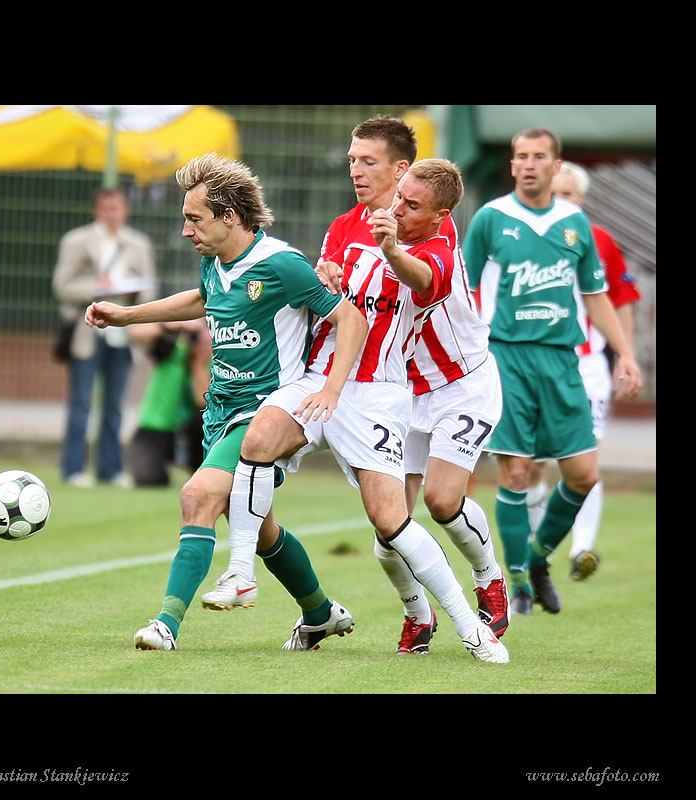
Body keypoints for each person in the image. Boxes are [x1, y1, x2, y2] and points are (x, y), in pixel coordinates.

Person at [205, 116, 509, 655]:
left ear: (401, 170)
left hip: (427, 384)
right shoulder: (346, 225)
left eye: (368, 161)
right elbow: (330, 293)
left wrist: (390, 248)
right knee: (260, 441)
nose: (355, 170)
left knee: (417, 511)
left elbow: (421, 278)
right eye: (351, 160)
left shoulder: (429, 233)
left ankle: (477, 610)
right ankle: (241, 574)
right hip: (337, 378)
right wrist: (323, 276)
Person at [85, 152, 369, 651]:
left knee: (197, 497)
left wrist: (331, 389)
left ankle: (165, 624)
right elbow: (202, 299)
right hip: (219, 411)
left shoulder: (281, 263)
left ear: (230, 217)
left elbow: (350, 318)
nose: (185, 230)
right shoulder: (214, 264)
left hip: (264, 411)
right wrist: (127, 316)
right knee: (259, 529)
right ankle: (320, 612)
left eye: (194, 219)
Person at [462, 129, 643, 616]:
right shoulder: (491, 218)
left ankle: (539, 558)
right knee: (517, 472)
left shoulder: (574, 223)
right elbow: (463, 288)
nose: (528, 164)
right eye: (521, 156)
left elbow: (595, 296)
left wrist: (625, 354)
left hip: (563, 360)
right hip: (508, 358)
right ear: (512, 165)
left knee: (583, 475)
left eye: (538, 156)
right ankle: (518, 582)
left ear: (556, 165)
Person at [525, 161, 643, 580]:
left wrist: (625, 356)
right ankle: (538, 550)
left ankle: (583, 548)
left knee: (584, 459)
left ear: (582, 198)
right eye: (554, 192)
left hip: (588, 366)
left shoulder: (599, 240)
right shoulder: (524, 237)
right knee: (531, 465)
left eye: (569, 194)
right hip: (536, 364)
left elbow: (621, 299)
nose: (561, 201)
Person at [52, 187, 157, 488]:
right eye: (106, 208)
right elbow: (62, 285)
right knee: (81, 402)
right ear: (96, 210)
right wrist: (99, 288)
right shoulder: (76, 241)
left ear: (125, 210)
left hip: (122, 334)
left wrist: (133, 297)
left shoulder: (138, 244)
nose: (112, 213)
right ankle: (73, 468)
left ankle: (110, 469)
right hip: (88, 332)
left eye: (117, 208)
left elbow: (150, 288)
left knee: (114, 405)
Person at [126, 319, 211, 486]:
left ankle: (198, 467)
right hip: (158, 427)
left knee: (205, 478)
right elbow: (135, 333)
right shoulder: (172, 349)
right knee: (149, 479)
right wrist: (176, 325)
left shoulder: (212, 361)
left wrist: (198, 364)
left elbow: (202, 401)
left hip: (193, 432)